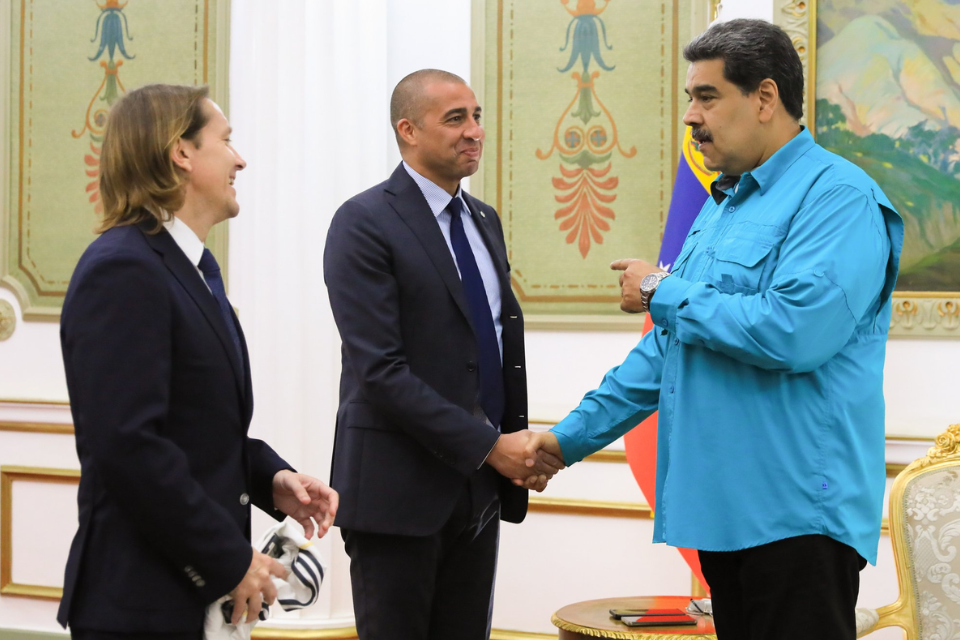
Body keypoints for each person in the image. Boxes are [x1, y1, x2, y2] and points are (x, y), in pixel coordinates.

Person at [523, 19, 904, 640]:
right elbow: (668, 351)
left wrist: (659, 288)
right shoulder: (722, 206)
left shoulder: (840, 198)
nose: (691, 118)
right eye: (689, 100)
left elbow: (794, 332)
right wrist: (565, 442)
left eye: (707, 97)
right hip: (723, 515)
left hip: (797, 520)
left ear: (764, 98)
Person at [57, 83, 339, 640]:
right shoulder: (122, 268)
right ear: (180, 153)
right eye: (227, 140)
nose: (241, 158)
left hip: (194, 602)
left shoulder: (198, 270)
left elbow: (195, 428)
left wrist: (271, 478)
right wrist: (228, 560)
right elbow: (128, 444)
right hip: (141, 603)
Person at [323, 69, 562, 640]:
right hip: (396, 495)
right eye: (456, 119)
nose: (474, 131)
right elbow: (380, 371)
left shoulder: (484, 220)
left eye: (477, 116)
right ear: (408, 130)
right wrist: (490, 447)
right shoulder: (363, 222)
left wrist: (504, 449)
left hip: (477, 491)